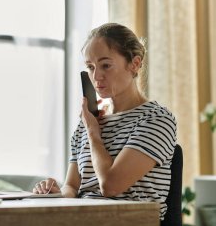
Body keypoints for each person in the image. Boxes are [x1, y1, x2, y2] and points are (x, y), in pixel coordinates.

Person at [32, 23, 177, 221]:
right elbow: (73, 186)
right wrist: (56, 193)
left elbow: (110, 185)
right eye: (90, 67)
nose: (96, 76)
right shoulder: (88, 122)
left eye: (106, 65)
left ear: (134, 64)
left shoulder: (157, 120)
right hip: (83, 219)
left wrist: (93, 133)